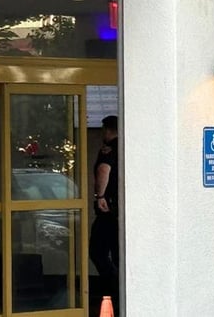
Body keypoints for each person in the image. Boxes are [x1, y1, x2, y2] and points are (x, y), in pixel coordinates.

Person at [89, 115, 119, 312]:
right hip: (121, 211)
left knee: (97, 251)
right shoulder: (126, 146)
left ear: (108, 130)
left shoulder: (108, 149)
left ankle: (114, 288)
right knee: (117, 254)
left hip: (107, 210)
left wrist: (100, 196)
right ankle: (120, 292)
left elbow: (103, 170)